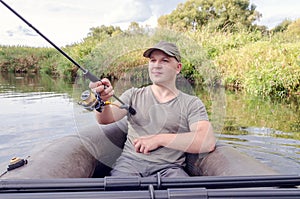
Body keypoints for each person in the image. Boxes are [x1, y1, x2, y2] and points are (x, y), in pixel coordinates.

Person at [89, 41, 216, 177]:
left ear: (178, 68)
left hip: (170, 169)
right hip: (129, 165)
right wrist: (101, 100)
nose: (156, 65)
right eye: (153, 60)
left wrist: (159, 139)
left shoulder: (192, 103)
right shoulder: (132, 95)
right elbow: (105, 119)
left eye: (164, 60)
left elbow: (206, 142)